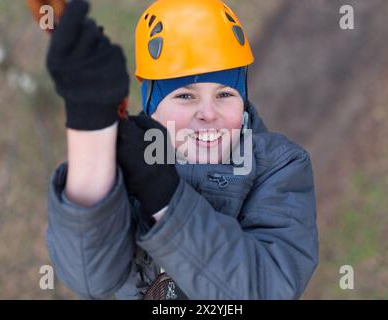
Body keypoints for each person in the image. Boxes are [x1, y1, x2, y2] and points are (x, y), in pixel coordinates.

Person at [46, 0, 318, 300]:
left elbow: (268, 290)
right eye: (185, 95)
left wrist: (165, 198)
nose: (208, 113)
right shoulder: (123, 166)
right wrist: (92, 128)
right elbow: (89, 278)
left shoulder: (280, 166)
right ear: (152, 107)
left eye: (225, 94)